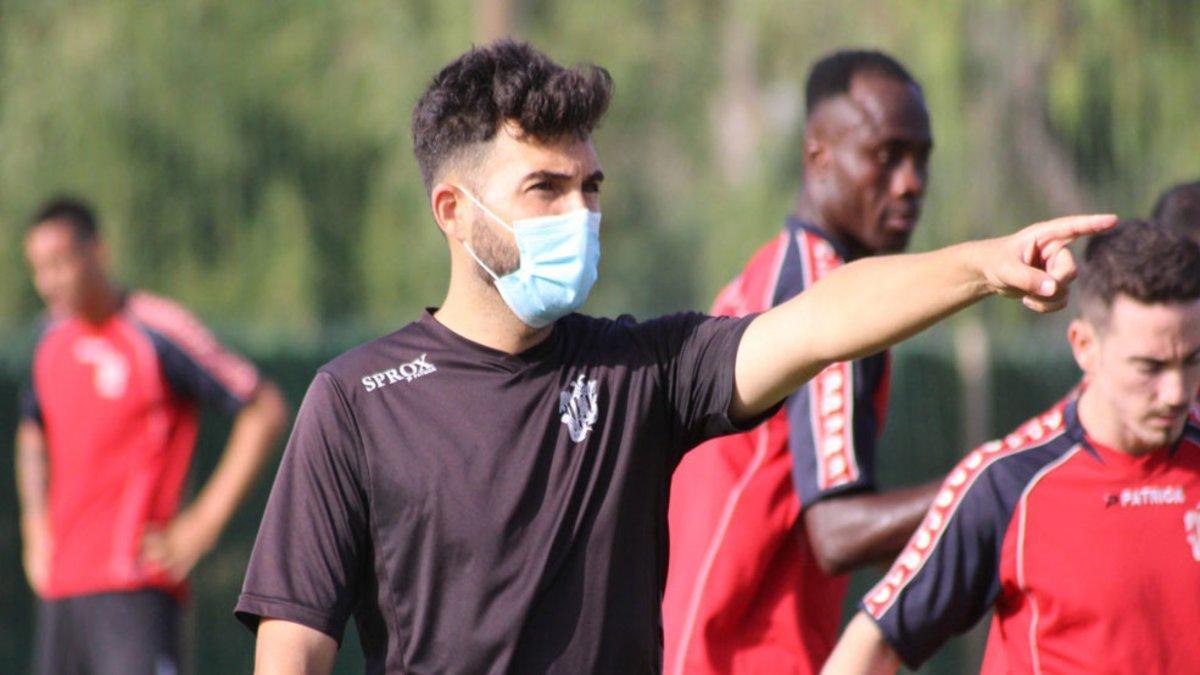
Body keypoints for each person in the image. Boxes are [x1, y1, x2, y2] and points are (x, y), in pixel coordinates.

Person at [234, 39, 1112, 674]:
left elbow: (818, 319)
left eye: (589, 188)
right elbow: (294, 642)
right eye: (543, 188)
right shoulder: (355, 398)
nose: (577, 214)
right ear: (453, 210)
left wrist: (983, 266)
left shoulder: (640, 370)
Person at [662, 49, 941, 675]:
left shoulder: (770, 273)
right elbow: (838, 531)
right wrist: (996, 482)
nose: (910, 181)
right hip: (738, 658)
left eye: (921, 156)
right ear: (817, 153)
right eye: (886, 154)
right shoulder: (827, 302)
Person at [823, 220, 1200, 674]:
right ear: (1084, 346)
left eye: (1193, 360)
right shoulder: (1006, 482)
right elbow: (872, 646)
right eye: (1150, 366)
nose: (1177, 391)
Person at [18, 198, 289, 674]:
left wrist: (203, 523)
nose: (50, 281)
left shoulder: (156, 330)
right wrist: (34, 526)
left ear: (97, 253)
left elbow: (263, 408)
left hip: (135, 589)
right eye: (39, 268)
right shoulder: (48, 342)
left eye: (60, 262)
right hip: (62, 593)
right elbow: (31, 431)